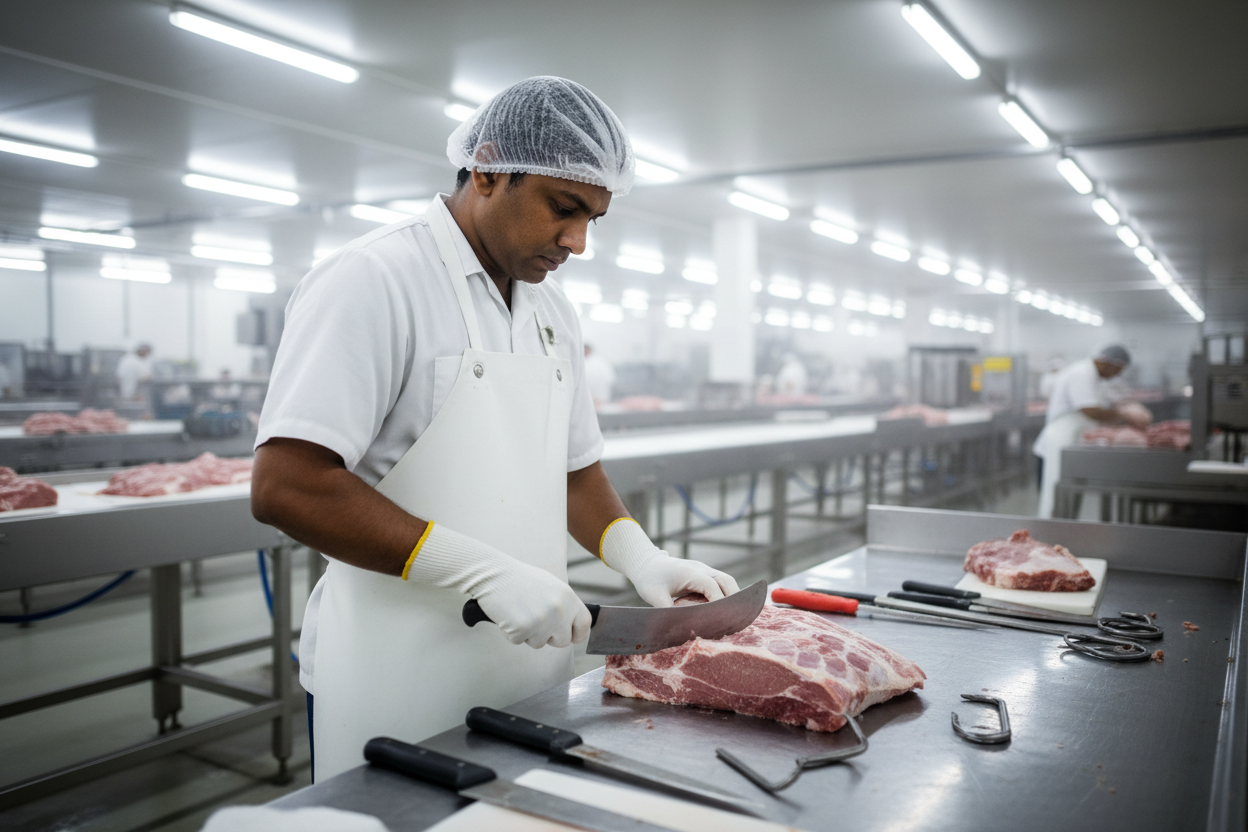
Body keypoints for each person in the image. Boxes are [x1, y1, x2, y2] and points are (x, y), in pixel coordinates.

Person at [250, 77, 738, 783]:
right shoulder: (374, 279)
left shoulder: (552, 311)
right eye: (563, 208)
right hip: (393, 677)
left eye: (593, 219)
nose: (576, 241)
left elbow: (572, 470)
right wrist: (480, 571)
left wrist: (641, 558)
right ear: (485, 169)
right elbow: (288, 486)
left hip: (529, 669)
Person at [1033, 344, 1148, 517]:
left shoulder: (1093, 376)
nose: (1118, 374)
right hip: (1059, 443)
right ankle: (1051, 537)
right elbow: (1090, 410)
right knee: (1056, 496)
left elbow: (1100, 407)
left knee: (1069, 498)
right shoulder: (1081, 373)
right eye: (1118, 369)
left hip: (1072, 441)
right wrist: (1125, 415)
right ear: (1107, 363)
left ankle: (1064, 535)